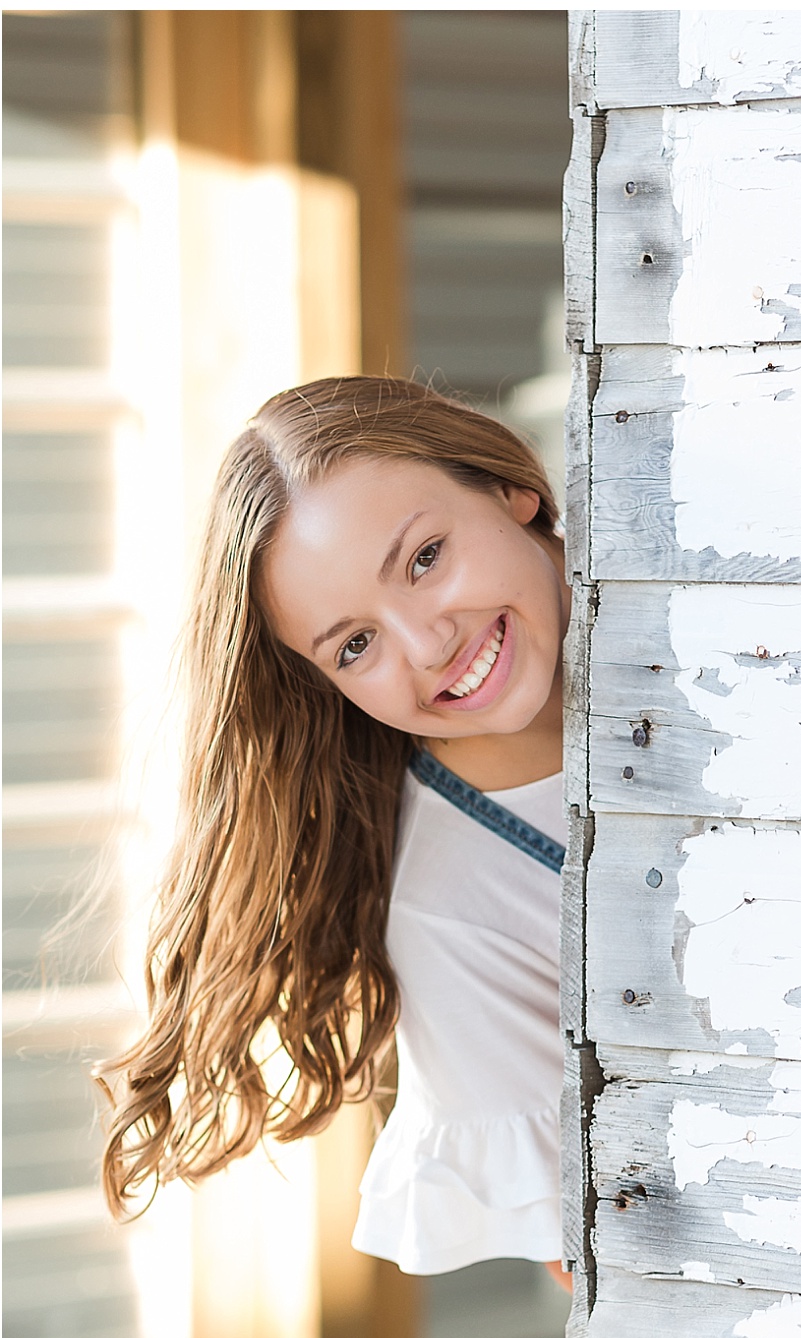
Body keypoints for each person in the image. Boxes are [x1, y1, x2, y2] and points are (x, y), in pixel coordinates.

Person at [99, 376, 571, 1290]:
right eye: (355, 645)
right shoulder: (451, 909)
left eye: (425, 558)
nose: (427, 645)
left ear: (509, 489)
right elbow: (605, 1258)